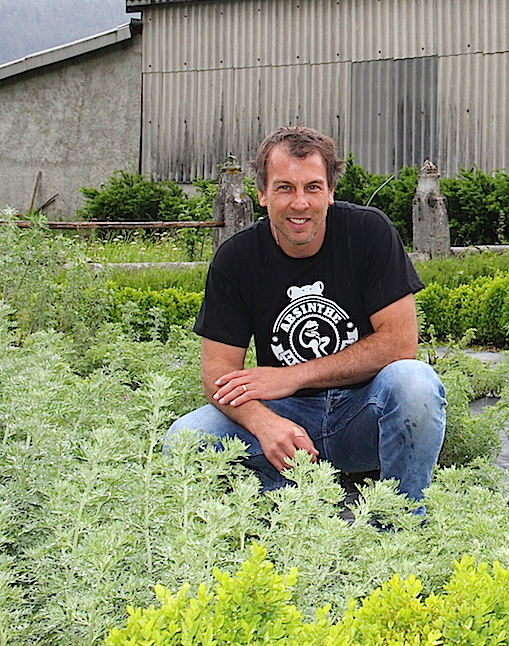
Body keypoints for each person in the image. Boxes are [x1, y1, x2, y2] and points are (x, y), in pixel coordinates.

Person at [166, 125, 446, 503]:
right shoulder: (236, 259)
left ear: (330, 192)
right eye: (284, 187)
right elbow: (218, 373)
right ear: (263, 195)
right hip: (285, 421)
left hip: (361, 411)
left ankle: (401, 523)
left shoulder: (369, 233)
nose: (300, 203)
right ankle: (295, 508)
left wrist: (291, 376)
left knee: (416, 382)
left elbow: (400, 345)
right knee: (185, 440)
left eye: (312, 187)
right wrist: (264, 422)